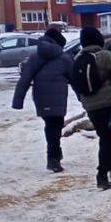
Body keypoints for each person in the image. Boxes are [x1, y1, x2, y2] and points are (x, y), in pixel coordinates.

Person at [74, 26, 111, 190]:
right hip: (107, 103)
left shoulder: (79, 57)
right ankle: (101, 175)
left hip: (91, 107)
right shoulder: (102, 56)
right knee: (108, 139)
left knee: (107, 137)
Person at [11, 28, 73, 173]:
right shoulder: (65, 59)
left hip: (41, 99)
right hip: (58, 98)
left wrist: (17, 101)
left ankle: (55, 154)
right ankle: (53, 158)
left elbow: (24, 80)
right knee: (55, 126)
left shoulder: (34, 58)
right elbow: (75, 80)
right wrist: (83, 97)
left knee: (50, 125)